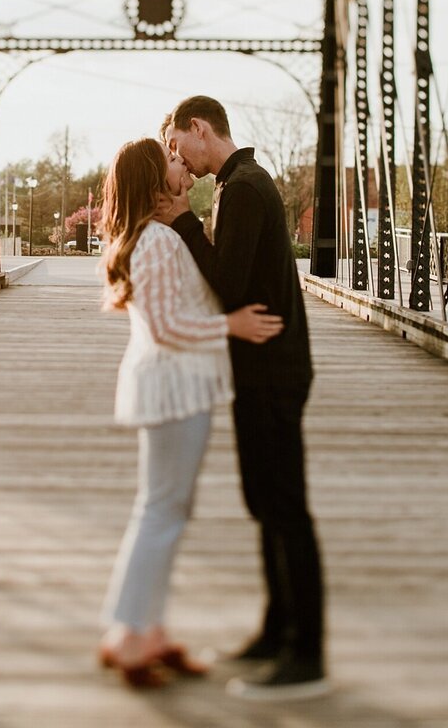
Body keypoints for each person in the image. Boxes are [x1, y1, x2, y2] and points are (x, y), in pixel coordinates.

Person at [97, 137, 285, 689]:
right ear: (157, 179)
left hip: (184, 389)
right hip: (171, 389)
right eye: (173, 160)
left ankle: (144, 630)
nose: (184, 164)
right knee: (160, 511)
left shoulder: (163, 234)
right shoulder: (154, 241)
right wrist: (231, 326)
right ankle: (129, 635)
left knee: (167, 511)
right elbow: (165, 327)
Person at [157, 96, 329, 701]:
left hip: (274, 370)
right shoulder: (241, 184)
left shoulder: (246, 188)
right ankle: (275, 631)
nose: (179, 158)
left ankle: (305, 655)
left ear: (199, 129)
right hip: (261, 368)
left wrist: (181, 219)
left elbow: (228, 287)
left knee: (283, 505)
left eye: (178, 145)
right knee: (264, 501)